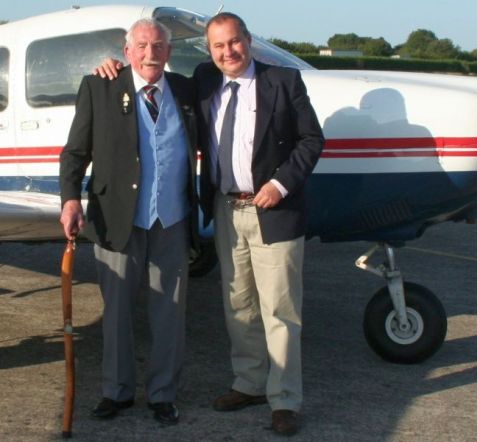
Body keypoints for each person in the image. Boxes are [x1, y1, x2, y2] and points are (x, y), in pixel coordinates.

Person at [94, 12, 324, 436]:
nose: (228, 52)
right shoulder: (203, 79)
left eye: (234, 42)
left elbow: (312, 139)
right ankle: (250, 383)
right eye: (218, 46)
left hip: (273, 209)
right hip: (224, 208)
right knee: (238, 304)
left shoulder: (283, 81)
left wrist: (279, 184)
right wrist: (111, 65)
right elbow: (145, 71)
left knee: (280, 309)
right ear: (209, 51)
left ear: (249, 41)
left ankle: (285, 398)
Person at [59, 18, 198, 426]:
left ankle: (162, 394)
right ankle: (116, 392)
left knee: (170, 313)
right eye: (141, 46)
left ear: (169, 52)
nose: (150, 53)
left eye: (158, 45)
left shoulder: (187, 91)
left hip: (171, 219)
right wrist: (70, 199)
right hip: (116, 218)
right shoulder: (99, 86)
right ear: (127, 50)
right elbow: (75, 152)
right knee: (117, 311)